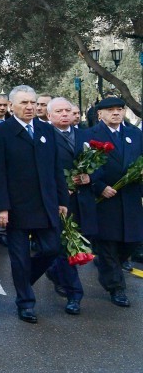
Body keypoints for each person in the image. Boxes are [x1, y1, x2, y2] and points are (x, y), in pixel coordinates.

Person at [0, 85, 68, 323]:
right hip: (16, 207)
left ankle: (24, 280)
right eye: (24, 103)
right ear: (11, 106)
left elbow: (56, 169)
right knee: (19, 258)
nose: (31, 107)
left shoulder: (46, 130)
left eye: (34, 103)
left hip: (45, 204)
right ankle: (26, 302)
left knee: (52, 248)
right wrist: (1, 207)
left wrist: (62, 200)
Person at [85, 96, 142, 308]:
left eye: (119, 109)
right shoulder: (89, 135)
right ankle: (116, 287)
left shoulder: (135, 134)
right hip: (104, 200)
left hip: (130, 197)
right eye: (110, 110)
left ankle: (109, 266)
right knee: (108, 243)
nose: (116, 113)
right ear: (100, 114)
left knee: (131, 241)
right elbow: (84, 166)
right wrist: (99, 186)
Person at [43, 97, 90, 314]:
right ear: (49, 116)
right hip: (58, 201)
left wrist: (90, 177)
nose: (64, 114)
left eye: (68, 111)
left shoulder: (85, 135)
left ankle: (53, 270)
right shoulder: (44, 136)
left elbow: (99, 162)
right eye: (59, 111)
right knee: (65, 247)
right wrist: (62, 189)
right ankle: (74, 294)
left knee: (82, 243)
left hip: (85, 201)